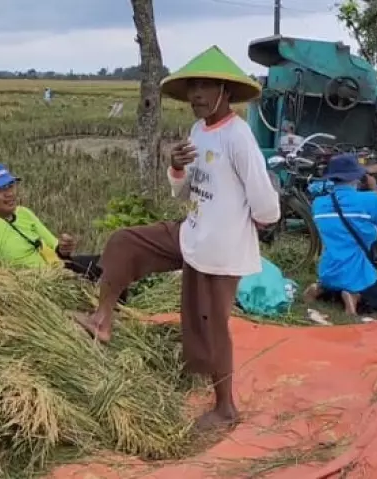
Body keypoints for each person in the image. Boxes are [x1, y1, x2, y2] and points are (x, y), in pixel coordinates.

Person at [74, 45, 281, 430]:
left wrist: (251, 222)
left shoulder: (239, 138)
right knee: (124, 242)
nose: (196, 95)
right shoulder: (198, 132)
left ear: (225, 90)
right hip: (192, 232)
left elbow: (267, 205)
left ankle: (226, 408)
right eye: (192, 87)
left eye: (205, 86)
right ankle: (102, 319)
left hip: (221, 248)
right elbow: (184, 192)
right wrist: (175, 168)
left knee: (209, 323)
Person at [0, 162, 108, 285]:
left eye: (10, 186)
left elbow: (57, 251)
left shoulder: (23, 213)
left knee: (112, 262)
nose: (9, 193)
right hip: (34, 286)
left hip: (58, 271)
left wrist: (64, 247)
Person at [304, 154, 377, 315]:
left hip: (328, 271)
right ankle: (353, 296)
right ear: (357, 177)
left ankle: (322, 289)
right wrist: (375, 189)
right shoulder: (369, 200)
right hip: (357, 274)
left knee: (335, 282)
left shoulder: (319, 204)